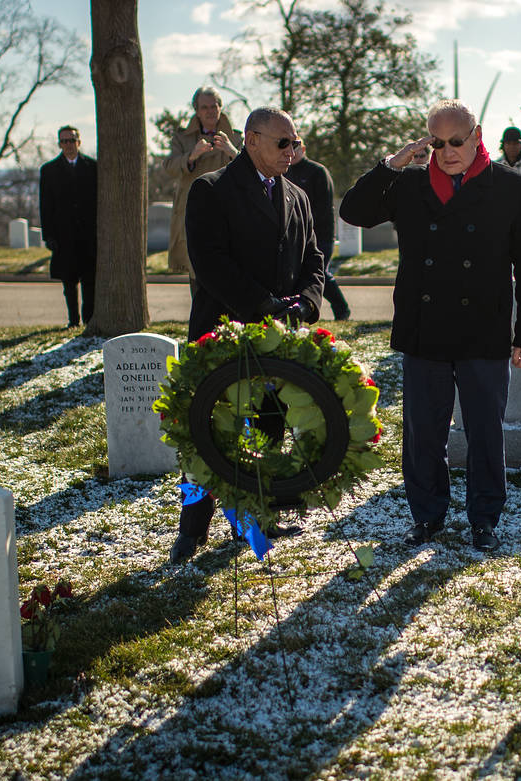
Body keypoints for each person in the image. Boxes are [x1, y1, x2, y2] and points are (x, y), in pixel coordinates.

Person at [339, 99, 521, 552]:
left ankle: (484, 519)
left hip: (484, 328)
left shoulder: (511, 186)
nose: (448, 151)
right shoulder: (409, 184)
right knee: (423, 436)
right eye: (438, 142)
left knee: (485, 433)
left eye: (457, 140)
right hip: (424, 327)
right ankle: (427, 516)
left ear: (476, 135)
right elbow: (353, 211)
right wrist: (392, 163)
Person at [169, 107, 325, 564]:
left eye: (295, 143)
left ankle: (259, 515)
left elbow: (314, 258)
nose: (291, 152)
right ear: (251, 139)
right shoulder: (211, 190)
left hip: (278, 335)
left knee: (268, 425)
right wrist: (263, 304)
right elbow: (211, 262)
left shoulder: (297, 195)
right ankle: (192, 529)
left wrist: (307, 303)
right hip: (222, 330)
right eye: (283, 143)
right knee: (209, 432)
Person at [162, 86, 240, 293]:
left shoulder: (236, 137)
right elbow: (169, 167)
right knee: (197, 270)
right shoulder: (182, 138)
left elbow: (253, 168)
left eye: (214, 106)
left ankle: (228, 323)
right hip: (194, 211)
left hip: (228, 212)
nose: (210, 111)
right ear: (196, 110)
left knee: (229, 269)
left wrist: (233, 152)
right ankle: (201, 321)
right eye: (204, 107)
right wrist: (191, 155)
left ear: (221, 107)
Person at [286, 137, 351, 320]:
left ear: (304, 149)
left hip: (320, 235)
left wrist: (306, 227)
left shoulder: (318, 172)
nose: (292, 150)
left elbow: (323, 209)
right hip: (295, 236)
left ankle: (341, 309)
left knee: (319, 272)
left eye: (296, 145)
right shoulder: (284, 171)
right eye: (289, 145)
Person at [39, 126, 98, 328]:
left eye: (72, 140)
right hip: (64, 235)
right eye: (64, 141)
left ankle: (89, 319)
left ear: (79, 142)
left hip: (88, 235)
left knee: (89, 281)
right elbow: (45, 205)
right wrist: (48, 235)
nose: (68, 145)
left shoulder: (92, 167)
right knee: (69, 281)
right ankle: (73, 320)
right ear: (59, 144)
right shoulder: (49, 170)